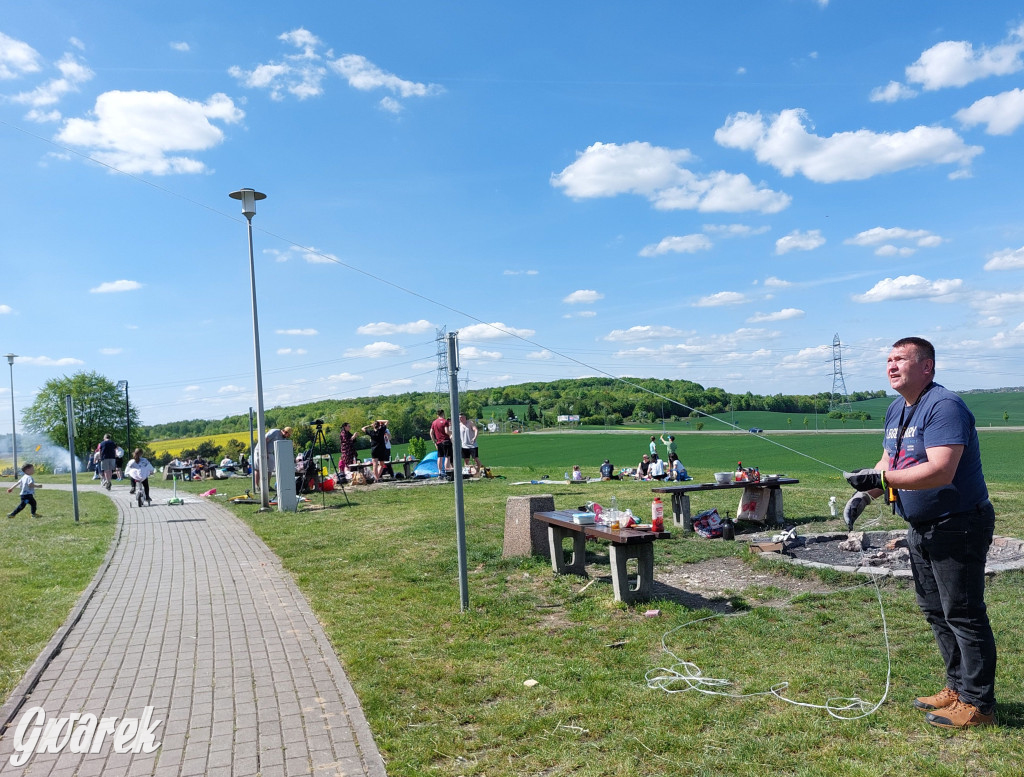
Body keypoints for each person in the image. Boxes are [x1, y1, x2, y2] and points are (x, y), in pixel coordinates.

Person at [842, 337, 996, 729]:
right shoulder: (897, 408)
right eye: (888, 360)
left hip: (957, 522)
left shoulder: (944, 406)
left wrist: (881, 477)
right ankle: (957, 688)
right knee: (935, 611)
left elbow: (941, 469)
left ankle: (979, 705)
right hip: (921, 526)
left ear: (926, 366)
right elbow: (890, 460)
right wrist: (868, 493)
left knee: (963, 612)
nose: (891, 366)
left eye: (901, 360)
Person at [430, 410, 453, 477]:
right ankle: (446, 471)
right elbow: (446, 431)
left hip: (439, 442)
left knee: (440, 457)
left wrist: (434, 441)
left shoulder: (434, 422)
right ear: (443, 414)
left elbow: (431, 433)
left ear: (437, 415)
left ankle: (440, 472)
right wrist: (452, 432)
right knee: (447, 457)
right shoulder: (445, 421)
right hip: (446, 441)